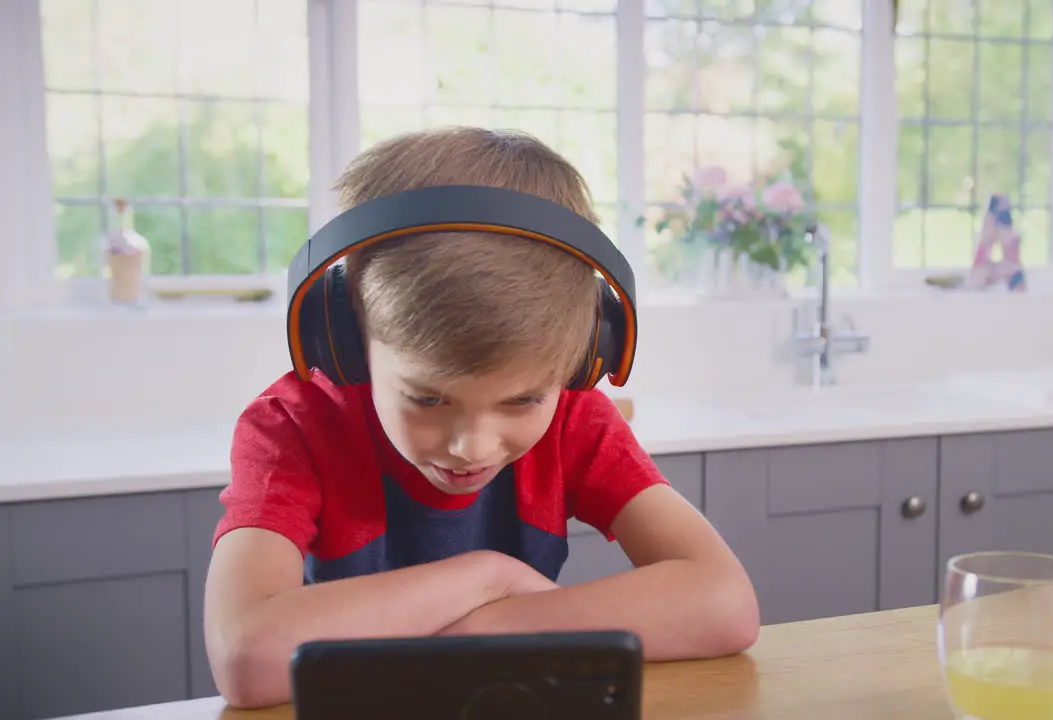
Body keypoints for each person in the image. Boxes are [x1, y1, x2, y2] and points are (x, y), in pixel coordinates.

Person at [202, 126, 760, 709]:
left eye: (522, 401)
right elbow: (246, 657)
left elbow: (726, 604)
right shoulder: (291, 426)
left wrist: (475, 631)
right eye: (427, 399)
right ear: (346, 337)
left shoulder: (576, 418)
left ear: (582, 357)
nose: (473, 446)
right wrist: (489, 577)